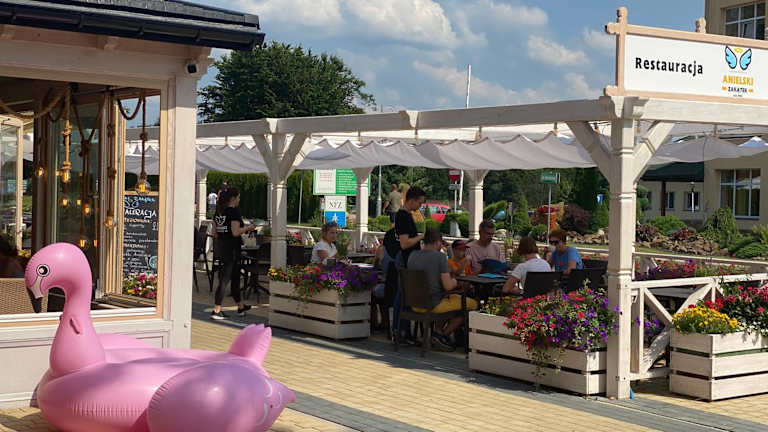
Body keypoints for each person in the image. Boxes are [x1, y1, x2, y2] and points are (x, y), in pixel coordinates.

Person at [408, 229, 478, 351]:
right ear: (437, 242)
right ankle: (440, 336)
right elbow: (448, 286)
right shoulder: (440, 257)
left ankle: (438, 333)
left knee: (452, 301)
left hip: (415, 304)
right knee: (473, 305)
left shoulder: (412, 255)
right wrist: (456, 281)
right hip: (433, 304)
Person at [211, 187, 256, 320]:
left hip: (222, 248)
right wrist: (248, 228)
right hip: (232, 250)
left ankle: (240, 307)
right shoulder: (233, 212)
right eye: (238, 197)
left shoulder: (219, 212)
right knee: (224, 280)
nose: (239, 200)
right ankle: (216, 310)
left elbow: (214, 233)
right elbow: (235, 232)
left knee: (235, 278)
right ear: (233, 198)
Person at [395, 186, 426, 266]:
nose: (420, 206)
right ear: (412, 201)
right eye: (419, 203)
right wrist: (422, 236)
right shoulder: (403, 216)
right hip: (406, 261)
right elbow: (404, 244)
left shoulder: (407, 215)